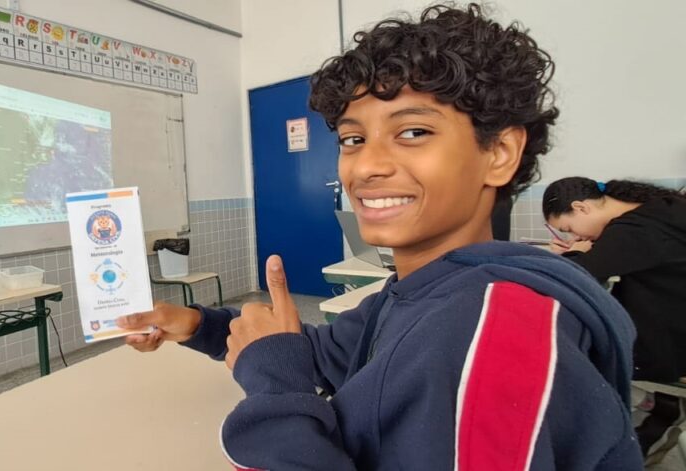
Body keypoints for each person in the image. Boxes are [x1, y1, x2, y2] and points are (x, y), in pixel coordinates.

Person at [117, 4, 642, 470]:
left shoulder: (497, 336)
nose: (366, 166)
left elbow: (292, 373)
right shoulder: (423, 289)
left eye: (413, 132)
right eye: (353, 138)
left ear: (499, 153)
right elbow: (325, 352)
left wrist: (275, 385)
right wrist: (198, 324)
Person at [544, 177, 686, 464]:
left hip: (669, 351)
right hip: (676, 330)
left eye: (569, 228)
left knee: (641, 429)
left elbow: (579, 275)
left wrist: (572, 254)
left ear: (581, 208)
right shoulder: (661, 210)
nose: (575, 235)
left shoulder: (633, 231)